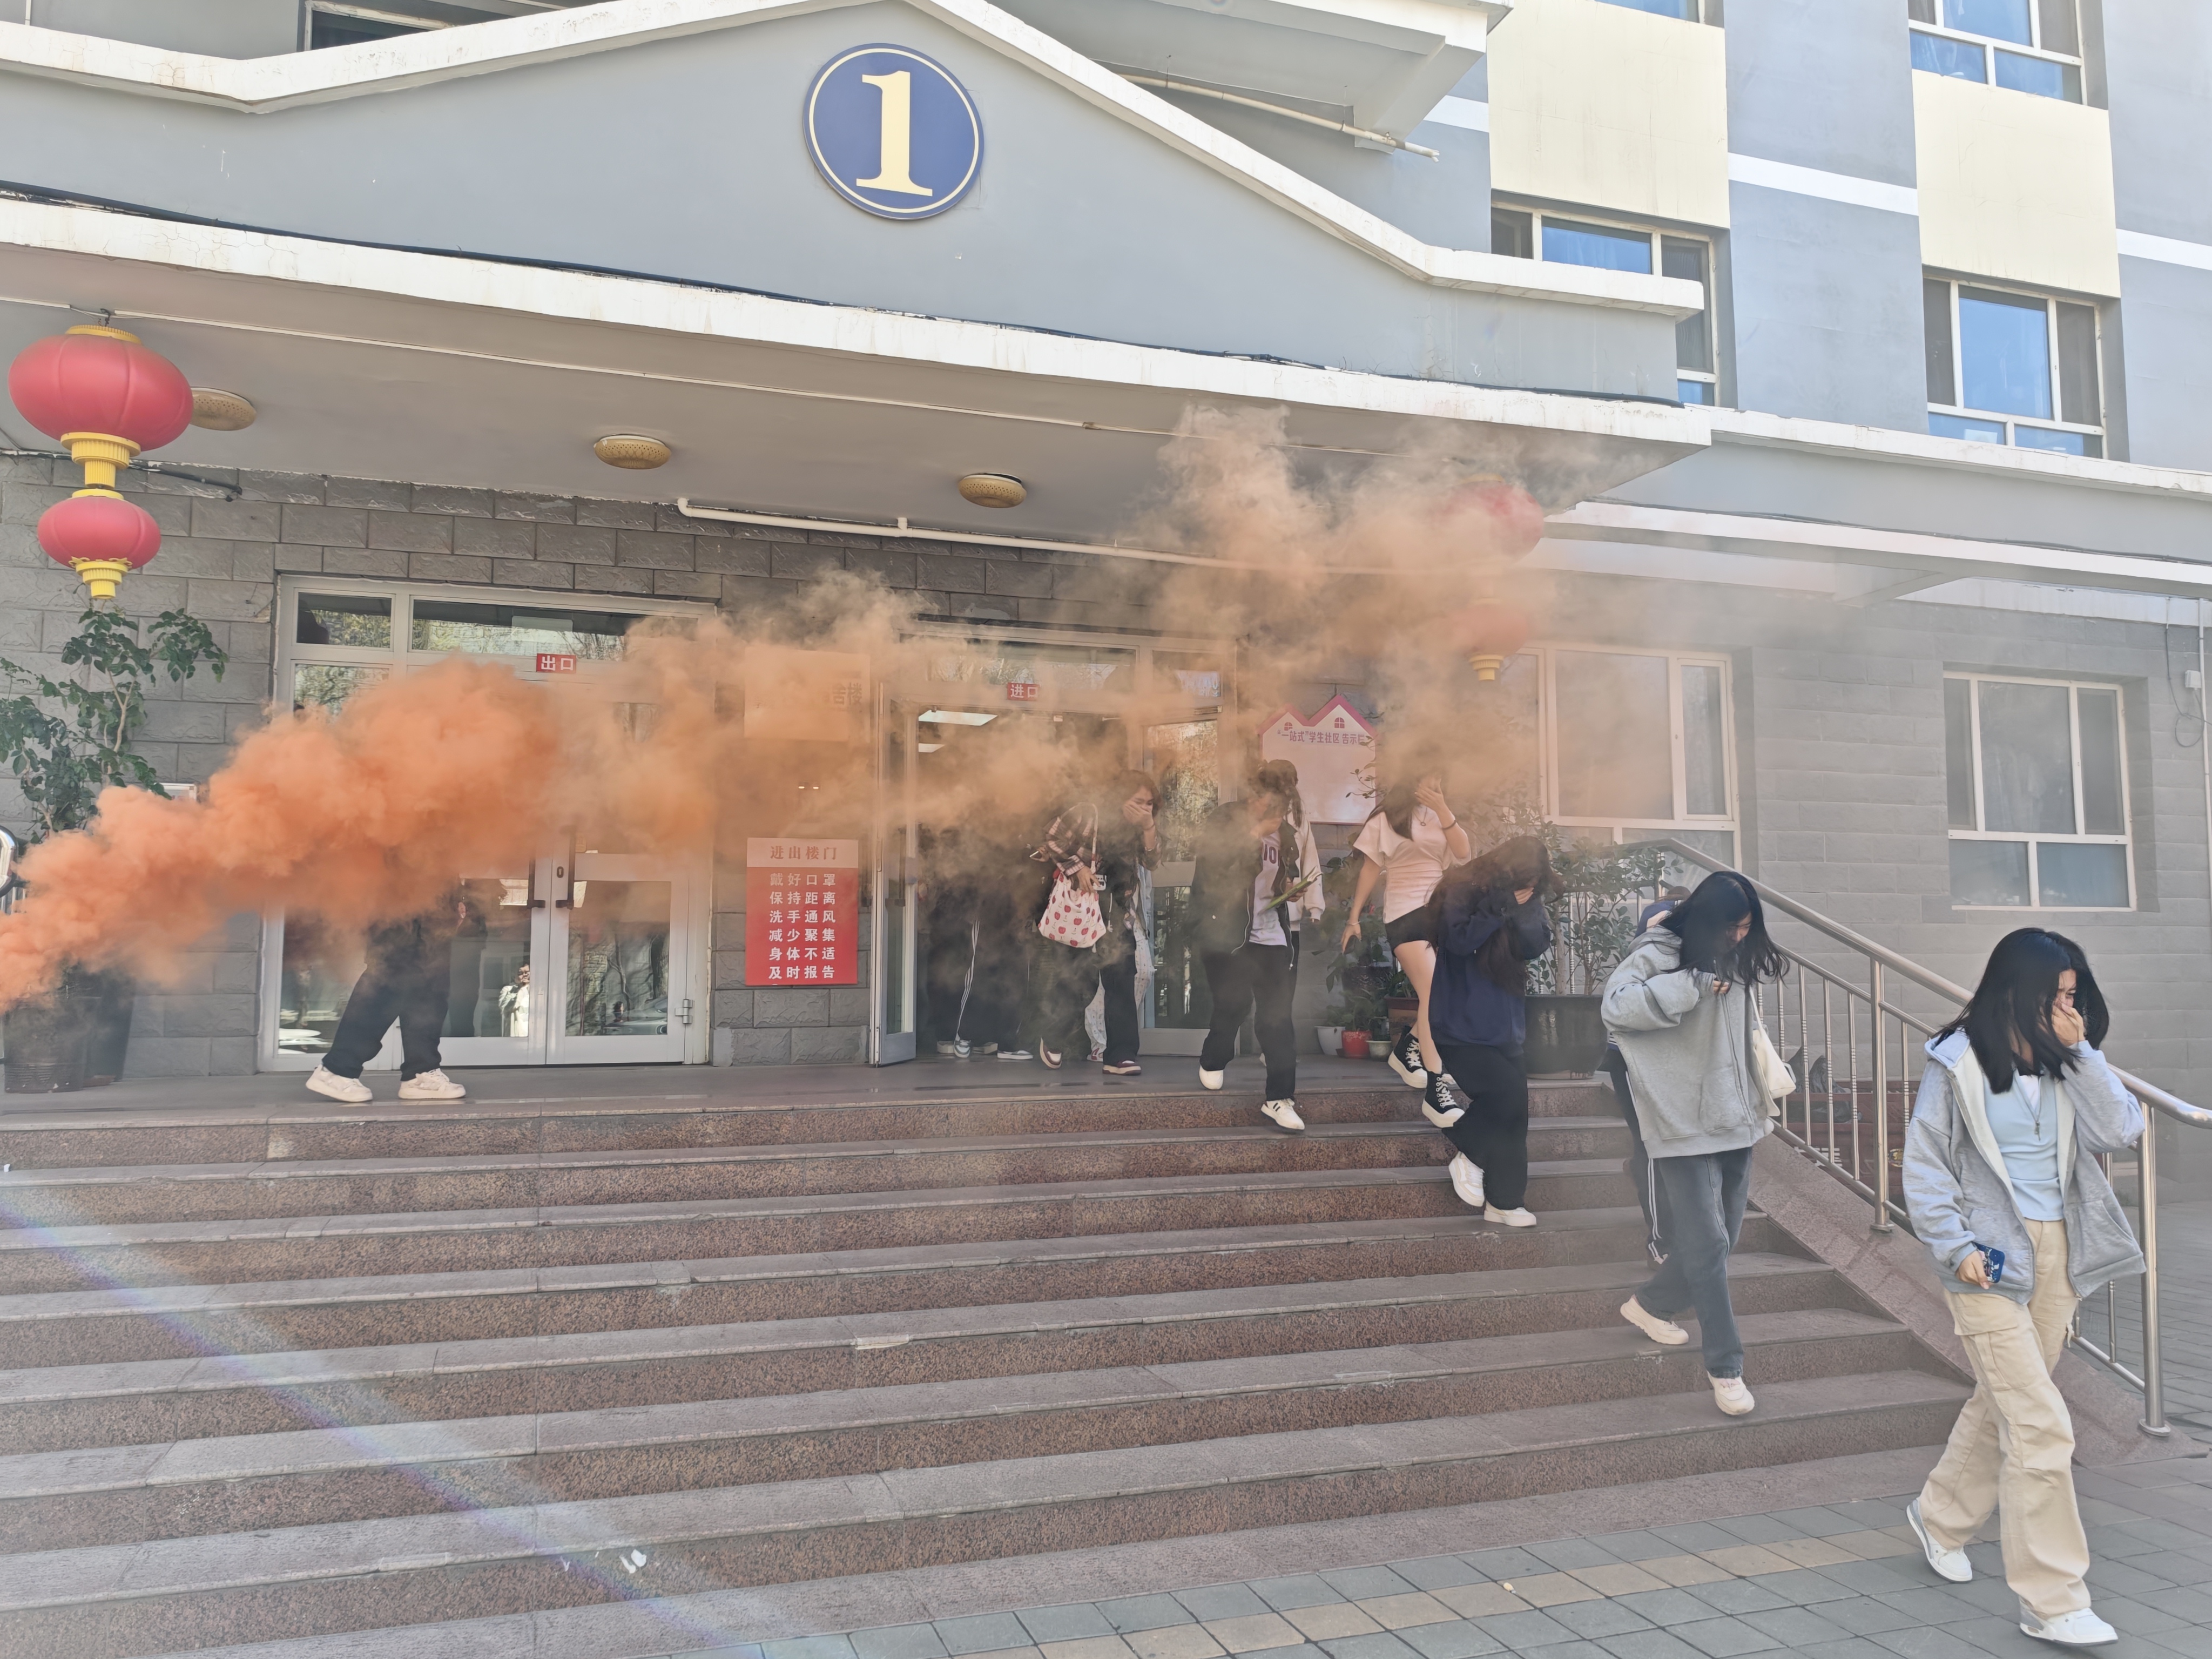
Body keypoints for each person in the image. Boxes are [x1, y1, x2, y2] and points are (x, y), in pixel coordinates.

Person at [1901, 929, 2143, 1651]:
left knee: (2002, 1401)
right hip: (1986, 1259)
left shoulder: (2069, 1061)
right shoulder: (1956, 1062)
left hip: (2057, 1253)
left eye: (2074, 995)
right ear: (2016, 990)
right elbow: (1926, 1164)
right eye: (2056, 995)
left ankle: (1939, 1516)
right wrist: (1954, 1247)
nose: (2068, 1008)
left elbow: (2120, 1129)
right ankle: (2053, 1599)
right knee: (2040, 1423)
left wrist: (2085, 1053)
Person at [1601, 871, 1784, 1418]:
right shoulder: (1659, 952)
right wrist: (1692, 984)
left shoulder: (1734, 958)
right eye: (1733, 926)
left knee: (1723, 1239)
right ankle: (1726, 1367)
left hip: (1734, 1115)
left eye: (1747, 927)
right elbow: (1616, 1008)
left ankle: (1651, 1304)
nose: (1740, 936)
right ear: (1708, 920)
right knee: (1707, 1244)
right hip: (1681, 1120)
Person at [1426, 835, 1555, 1226]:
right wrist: (1500, 906)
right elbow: (1458, 940)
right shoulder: (1461, 887)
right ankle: (1469, 1151)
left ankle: (1505, 1201)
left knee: (1515, 1113)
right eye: (1525, 879)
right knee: (1504, 1095)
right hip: (1459, 1023)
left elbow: (1534, 946)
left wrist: (1523, 908)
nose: (1530, 886)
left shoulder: (1526, 897)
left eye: (1536, 881)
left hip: (1506, 1024)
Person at [1339, 762, 1471, 1127]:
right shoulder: (1386, 818)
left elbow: (1463, 853)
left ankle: (1407, 1048)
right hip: (1404, 913)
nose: (1437, 781)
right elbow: (1370, 868)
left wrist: (1443, 809)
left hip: (1439, 913)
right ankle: (1436, 1088)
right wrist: (1353, 918)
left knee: (1445, 996)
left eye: (1441, 777)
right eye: (1433, 774)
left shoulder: (1441, 815)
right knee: (1433, 994)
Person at [1189, 774, 1306, 1132]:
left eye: (1280, 807)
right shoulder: (1224, 820)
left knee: (1277, 1016)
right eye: (1267, 803)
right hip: (1228, 934)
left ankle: (1279, 1098)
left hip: (1270, 934)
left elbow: (1283, 873)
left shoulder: (1284, 833)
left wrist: (1291, 886)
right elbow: (1214, 872)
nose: (1273, 812)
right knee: (1234, 1004)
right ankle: (1215, 1056)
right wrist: (1254, 835)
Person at [1023, 772, 1156, 1072]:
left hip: (1118, 913)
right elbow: (1051, 837)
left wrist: (1149, 827)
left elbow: (1153, 861)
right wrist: (1078, 868)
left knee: (1122, 980)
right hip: (1082, 911)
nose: (1144, 808)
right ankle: (1053, 1035)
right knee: (1078, 981)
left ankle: (1120, 1055)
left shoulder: (1140, 827)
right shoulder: (1089, 813)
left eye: (1149, 804)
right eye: (1138, 801)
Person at [308, 892, 471, 1103]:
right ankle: (337, 1070)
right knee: (389, 978)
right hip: (397, 896)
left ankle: (421, 1073)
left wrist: (453, 900)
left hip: (435, 901)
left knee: (431, 985)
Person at [1253, 759, 1326, 993]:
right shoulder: (1254, 813)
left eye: (1291, 783)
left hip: (1288, 918)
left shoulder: (1299, 818)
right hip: (1250, 919)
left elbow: (1310, 861)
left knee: (1282, 991)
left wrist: (1315, 906)